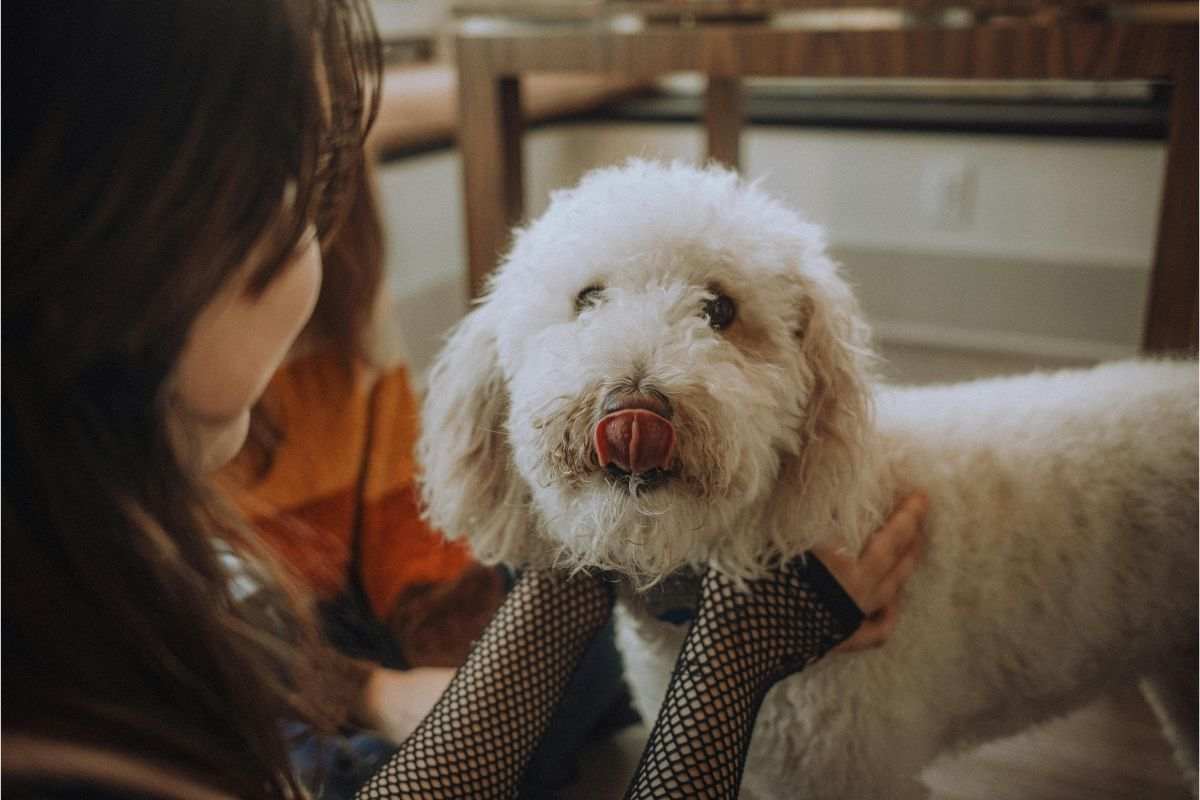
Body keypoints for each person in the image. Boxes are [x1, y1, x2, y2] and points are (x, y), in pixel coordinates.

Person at [2, 2, 926, 798]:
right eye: (292, 194)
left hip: (313, 628)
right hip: (312, 677)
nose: (316, 237)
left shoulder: (95, 537)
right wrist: (734, 655)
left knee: (616, 624)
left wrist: (581, 571)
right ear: (112, 220)